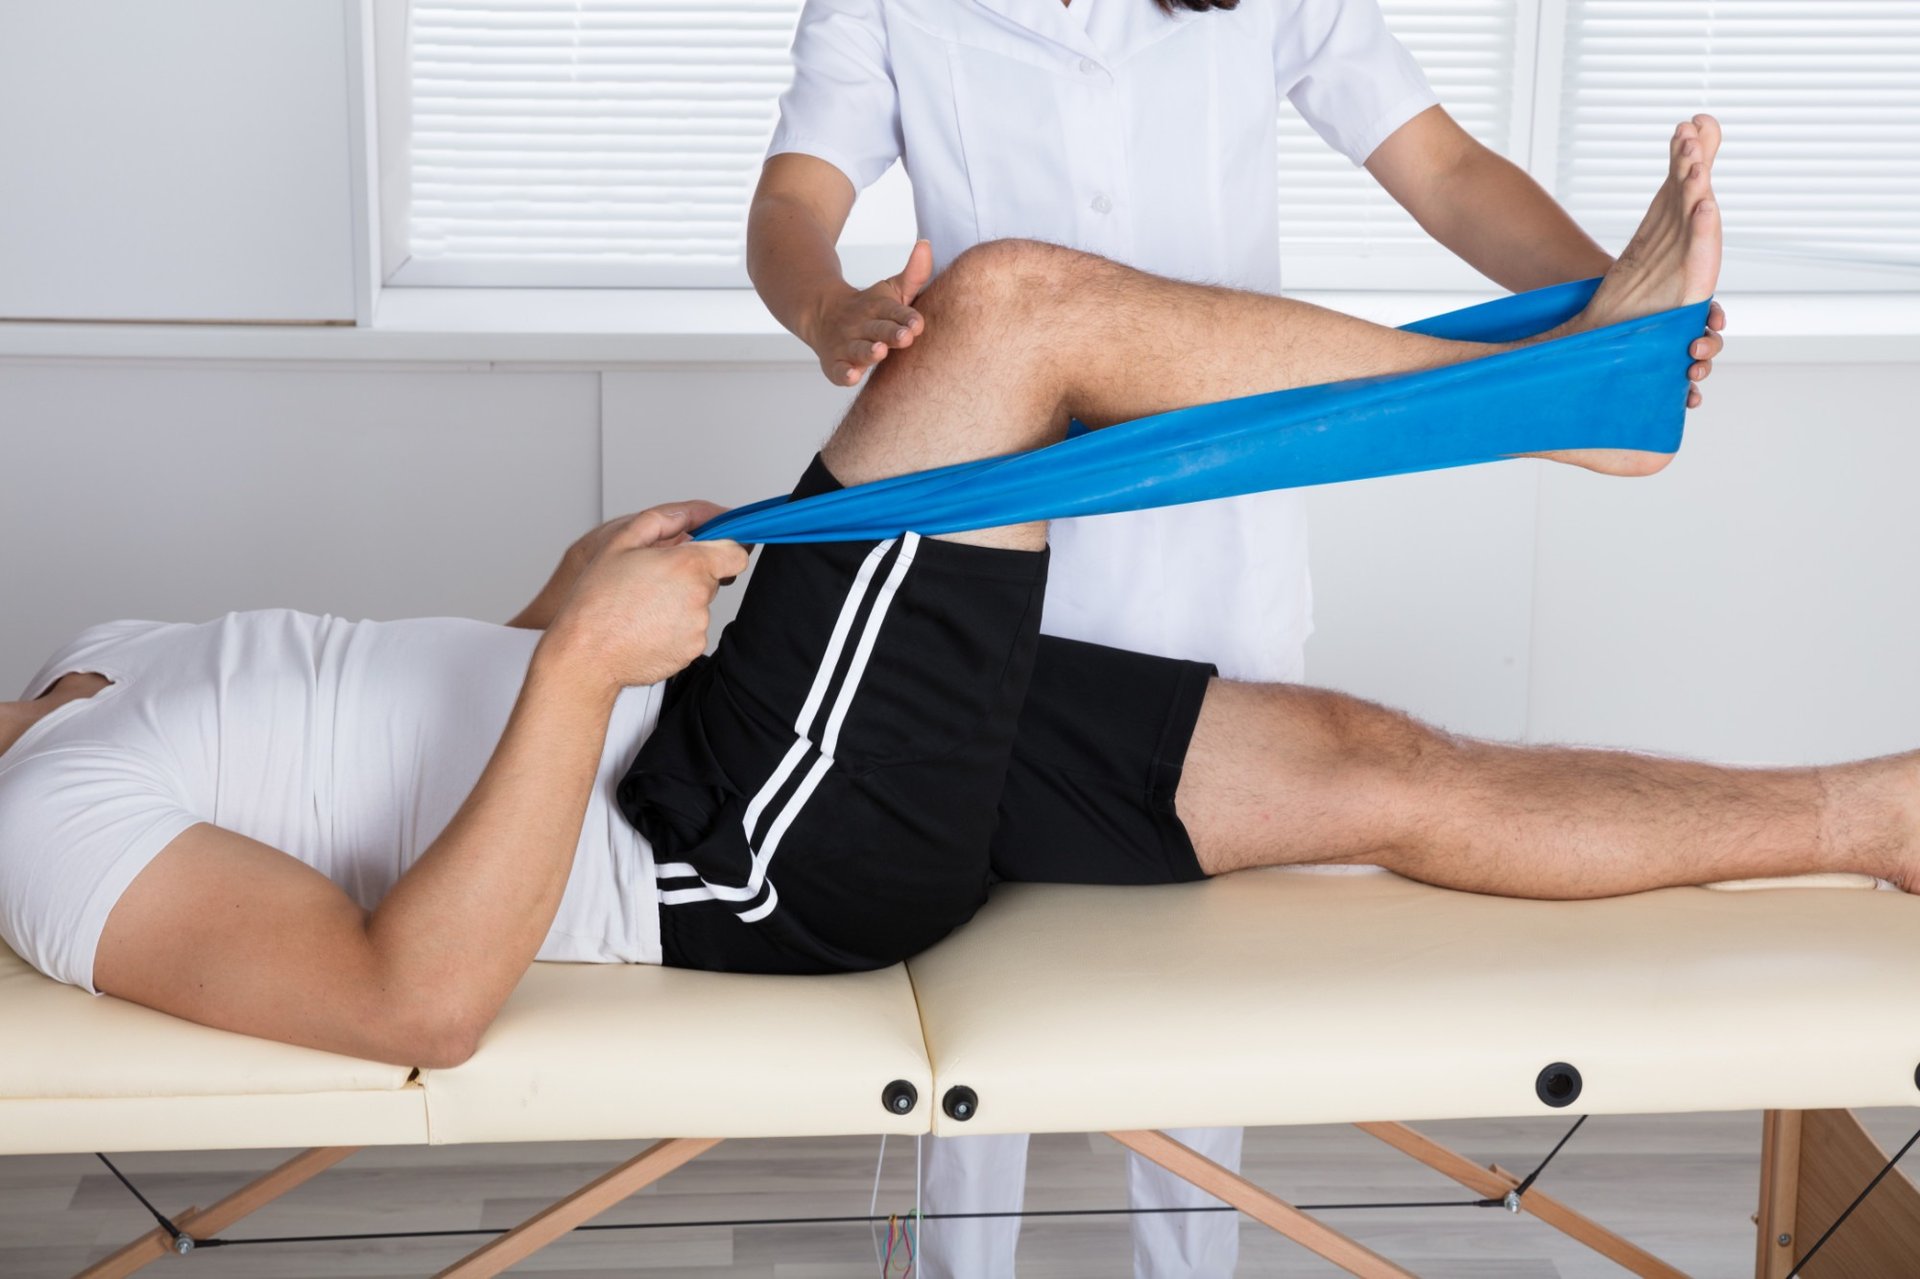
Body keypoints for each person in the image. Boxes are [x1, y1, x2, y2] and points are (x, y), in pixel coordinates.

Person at [6, 129, 1836, 1120]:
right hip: (731, 837)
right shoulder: (40, 832)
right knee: (1014, 315)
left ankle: (1868, 819)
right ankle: (1583, 395)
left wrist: (548, 612)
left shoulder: (90, 665)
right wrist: (578, 670)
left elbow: (385, 756)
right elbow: (417, 997)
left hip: (730, 731)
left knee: (1369, 761)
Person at [745, 1, 1728, 1270]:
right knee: (969, 939)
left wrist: (1628, 314)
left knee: (1199, 980)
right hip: (991, 533)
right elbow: (791, 203)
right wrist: (828, 305)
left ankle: (1193, 1261)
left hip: (1211, 536)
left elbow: (1443, 168)